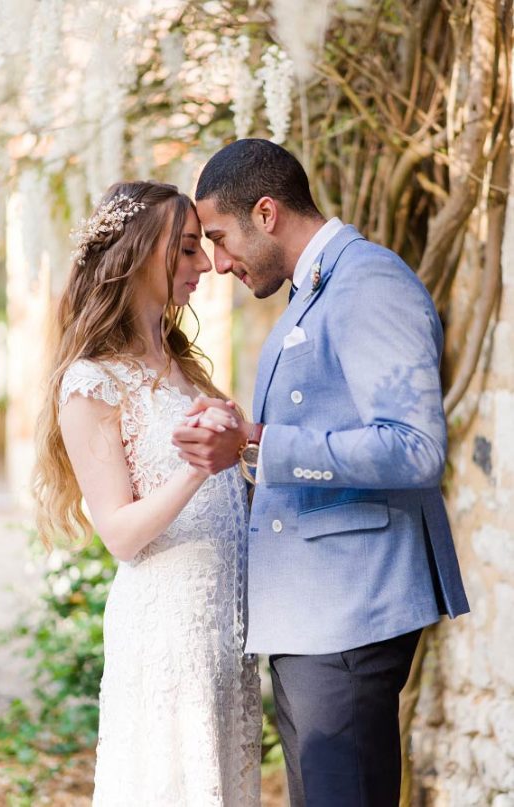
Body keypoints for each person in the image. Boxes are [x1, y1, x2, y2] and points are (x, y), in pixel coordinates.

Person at [172, 139, 470, 807]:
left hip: (351, 614)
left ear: (268, 212)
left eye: (220, 238)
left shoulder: (369, 281)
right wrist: (243, 439)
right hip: (311, 615)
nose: (218, 263)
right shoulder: (312, 291)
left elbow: (415, 447)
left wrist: (262, 441)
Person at [32, 181, 262, 807]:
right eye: (187, 250)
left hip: (221, 626)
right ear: (137, 256)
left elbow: (230, 486)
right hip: (164, 629)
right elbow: (121, 535)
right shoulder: (92, 382)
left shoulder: (182, 363)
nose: (203, 267)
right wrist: (198, 466)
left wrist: (242, 447)